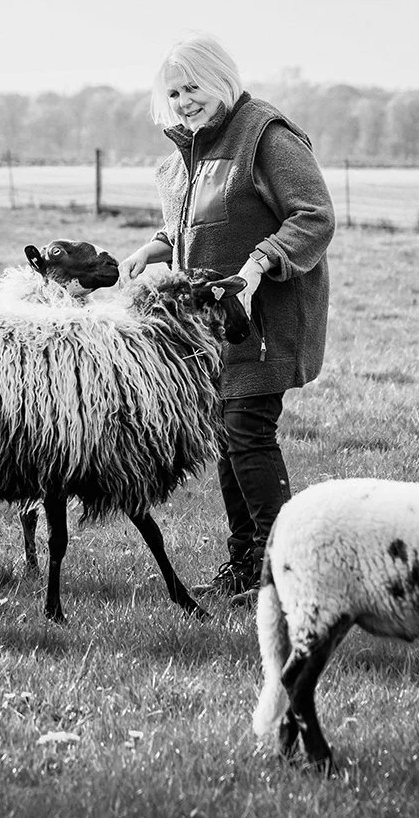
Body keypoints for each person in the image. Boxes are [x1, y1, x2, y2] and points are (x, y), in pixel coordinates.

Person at [122, 33, 335, 603]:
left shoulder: (264, 135)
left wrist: (262, 262)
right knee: (226, 435)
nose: (184, 100)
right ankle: (246, 564)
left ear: (220, 79)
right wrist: (158, 246)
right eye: (174, 90)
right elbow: (199, 224)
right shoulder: (183, 156)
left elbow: (314, 217)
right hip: (210, 328)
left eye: (194, 86)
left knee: (245, 429)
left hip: (266, 318)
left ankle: (283, 571)